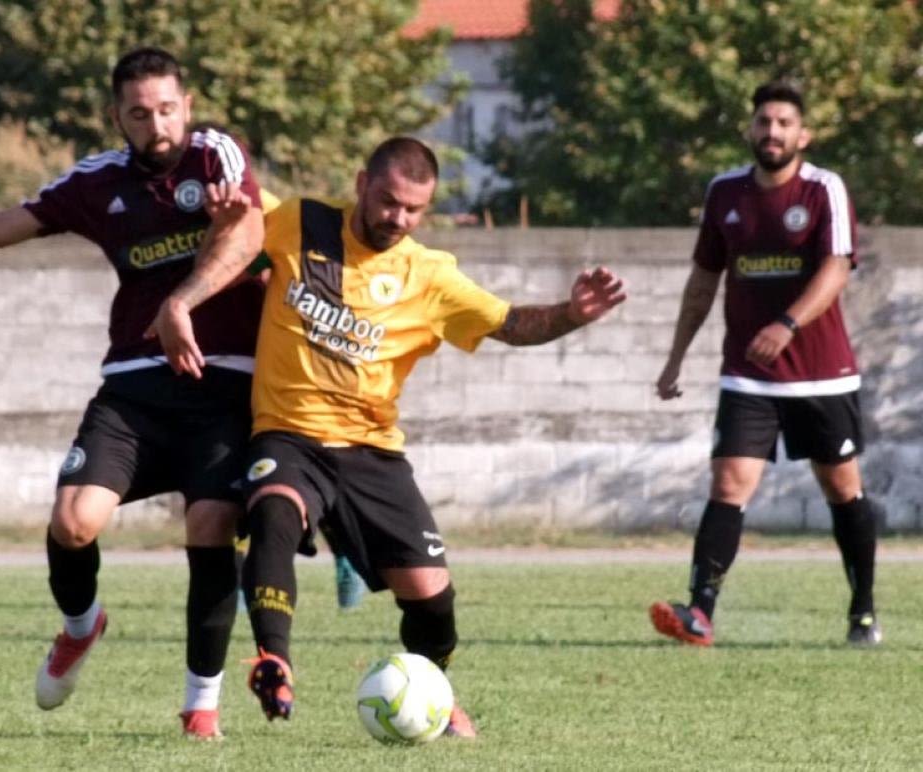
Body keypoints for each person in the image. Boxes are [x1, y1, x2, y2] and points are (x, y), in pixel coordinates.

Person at [0, 47, 266, 738]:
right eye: (140, 113)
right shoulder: (98, 182)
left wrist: (184, 296)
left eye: (167, 109)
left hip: (222, 385)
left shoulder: (216, 158)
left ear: (187, 105)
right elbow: (0, 224)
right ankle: (81, 626)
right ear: (116, 117)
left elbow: (249, 232)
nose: (157, 125)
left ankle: (199, 705)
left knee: (209, 523)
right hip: (135, 389)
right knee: (73, 522)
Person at [174, 136, 627, 735]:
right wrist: (222, 215)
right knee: (274, 513)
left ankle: (434, 690)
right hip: (289, 434)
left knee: (432, 598)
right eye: (389, 201)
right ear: (362, 185)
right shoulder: (299, 221)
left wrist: (571, 314)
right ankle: (274, 661)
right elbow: (237, 227)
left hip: (372, 451)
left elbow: (510, 322)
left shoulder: (430, 275)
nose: (399, 217)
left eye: (414, 209)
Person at [649, 80, 881, 647]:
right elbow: (703, 281)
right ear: (750, 130)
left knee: (842, 488)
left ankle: (863, 611)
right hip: (748, 375)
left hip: (822, 373)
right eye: (763, 122)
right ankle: (700, 614)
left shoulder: (824, 189)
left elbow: (837, 268)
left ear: (803, 135)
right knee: (729, 483)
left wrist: (787, 324)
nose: (772, 131)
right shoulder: (725, 193)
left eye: (783, 123)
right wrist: (675, 358)